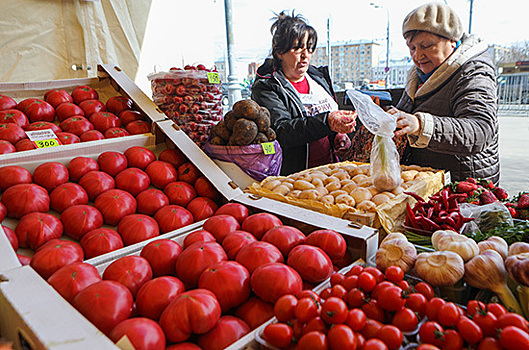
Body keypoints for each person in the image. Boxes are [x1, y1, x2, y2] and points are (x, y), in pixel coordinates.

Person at [388, 2, 500, 184]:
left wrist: (419, 125)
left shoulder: (473, 72)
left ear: (452, 41)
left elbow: (479, 130)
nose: (417, 56)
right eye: (412, 48)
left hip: (464, 186)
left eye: (426, 46)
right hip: (429, 183)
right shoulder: (417, 76)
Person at [251, 10, 356, 175]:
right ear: (280, 52)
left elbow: (326, 123)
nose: (305, 55)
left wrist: (336, 135)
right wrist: (327, 122)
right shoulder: (267, 86)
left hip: (329, 171)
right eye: (297, 49)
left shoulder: (318, 77)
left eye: (309, 48)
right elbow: (282, 131)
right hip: (295, 176)